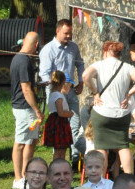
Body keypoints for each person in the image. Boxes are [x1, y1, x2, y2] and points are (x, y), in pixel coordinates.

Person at [82, 42, 135, 175]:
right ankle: (129, 176)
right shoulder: (126, 67)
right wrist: (129, 93)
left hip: (102, 112)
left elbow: (85, 76)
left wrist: (95, 92)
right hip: (122, 113)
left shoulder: (99, 65)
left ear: (105, 52)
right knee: (123, 146)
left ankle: (100, 178)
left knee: (101, 147)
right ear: (119, 54)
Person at [39, 20, 85, 160]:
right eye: (66, 33)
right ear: (57, 31)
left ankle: (75, 156)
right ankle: (59, 156)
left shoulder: (73, 47)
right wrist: (56, 90)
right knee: (59, 124)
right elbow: (44, 73)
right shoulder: (48, 49)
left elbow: (80, 64)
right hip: (57, 91)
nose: (68, 36)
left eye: (70, 33)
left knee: (75, 122)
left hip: (70, 89)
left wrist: (81, 82)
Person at [10, 32, 42, 187]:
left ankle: (24, 175)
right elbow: (26, 89)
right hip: (24, 108)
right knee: (21, 142)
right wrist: (36, 110)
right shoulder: (23, 61)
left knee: (31, 140)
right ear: (36, 45)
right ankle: (18, 178)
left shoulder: (18, 58)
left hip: (26, 107)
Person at [42, 71, 75, 160]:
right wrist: (70, 113)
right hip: (59, 123)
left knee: (61, 149)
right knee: (60, 150)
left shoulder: (52, 94)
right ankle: (57, 168)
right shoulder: (58, 96)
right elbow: (60, 112)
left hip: (56, 121)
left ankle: (60, 167)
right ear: (63, 82)